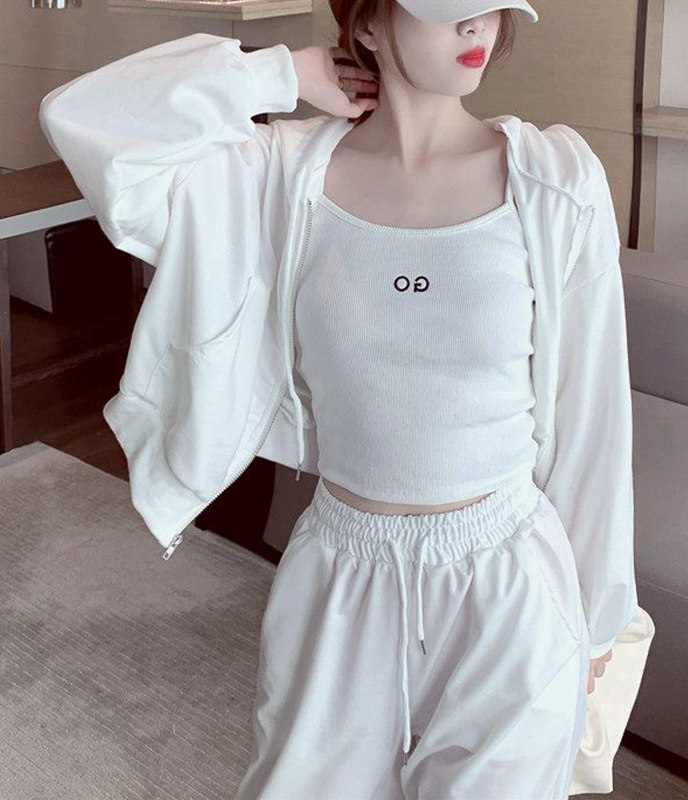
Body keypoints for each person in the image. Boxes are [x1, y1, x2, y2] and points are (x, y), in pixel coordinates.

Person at [39, 1, 637, 797]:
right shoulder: (279, 173)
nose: (479, 26)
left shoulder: (554, 179)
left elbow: (595, 414)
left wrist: (597, 616)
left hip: (510, 581)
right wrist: (280, 74)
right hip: (342, 574)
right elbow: (83, 118)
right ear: (369, 22)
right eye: (449, 7)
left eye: (493, 6)